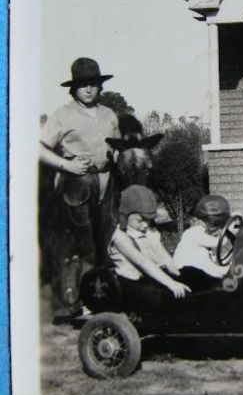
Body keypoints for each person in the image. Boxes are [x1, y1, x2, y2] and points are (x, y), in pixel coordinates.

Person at [40, 57, 120, 315]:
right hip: (78, 184)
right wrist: (66, 165)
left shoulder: (109, 114)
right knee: (83, 244)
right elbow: (38, 148)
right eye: (83, 84)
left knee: (107, 240)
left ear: (100, 86)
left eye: (94, 84)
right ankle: (80, 303)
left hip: (106, 183)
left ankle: (105, 298)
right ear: (73, 88)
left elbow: (116, 147)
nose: (88, 89)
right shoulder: (62, 115)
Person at [108, 185, 190, 299]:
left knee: (190, 275)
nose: (145, 225)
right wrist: (171, 283)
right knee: (166, 297)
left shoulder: (149, 232)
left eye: (148, 220)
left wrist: (177, 272)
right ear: (125, 216)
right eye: (140, 220)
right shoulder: (121, 237)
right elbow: (144, 263)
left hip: (151, 278)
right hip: (131, 284)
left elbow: (163, 254)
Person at [172, 195, 231, 290]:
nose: (203, 227)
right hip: (187, 275)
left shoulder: (198, 235)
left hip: (199, 271)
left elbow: (210, 263)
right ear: (195, 221)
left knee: (227, 271)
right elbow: (220, 242)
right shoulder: (193, 233)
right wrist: (230, 229)